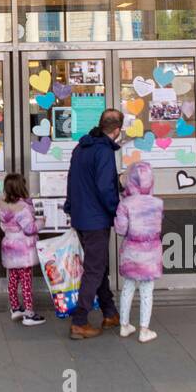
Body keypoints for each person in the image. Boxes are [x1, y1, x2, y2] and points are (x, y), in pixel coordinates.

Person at [62, 107, 124, 339]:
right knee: (95, 269)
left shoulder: (81, 148)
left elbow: (71, 180)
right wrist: (116, 210)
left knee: (99, 266)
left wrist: (70, 206)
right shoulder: (104, 152)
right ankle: (79, 321)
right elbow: (105, 187)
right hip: (96, 219)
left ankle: (110, 312)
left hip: (80, 216)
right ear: (117, 130)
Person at [114, 160, 162, 342]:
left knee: (127, 288)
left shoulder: (125, 204)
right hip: (150, 254)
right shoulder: (157, 203)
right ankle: (144, 330)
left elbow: (120, 230)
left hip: (131, 252)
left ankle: (124, 325)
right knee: (147, 291)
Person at [0, 173, 46, 326]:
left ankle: (15, 308)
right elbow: (30, 229)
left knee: (12, 279)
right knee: (26, 281)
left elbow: (3, 225)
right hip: (23, 249)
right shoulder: (22, 208)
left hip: (9, 246)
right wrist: (41, 222)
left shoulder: (2, 206)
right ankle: (29, 314)